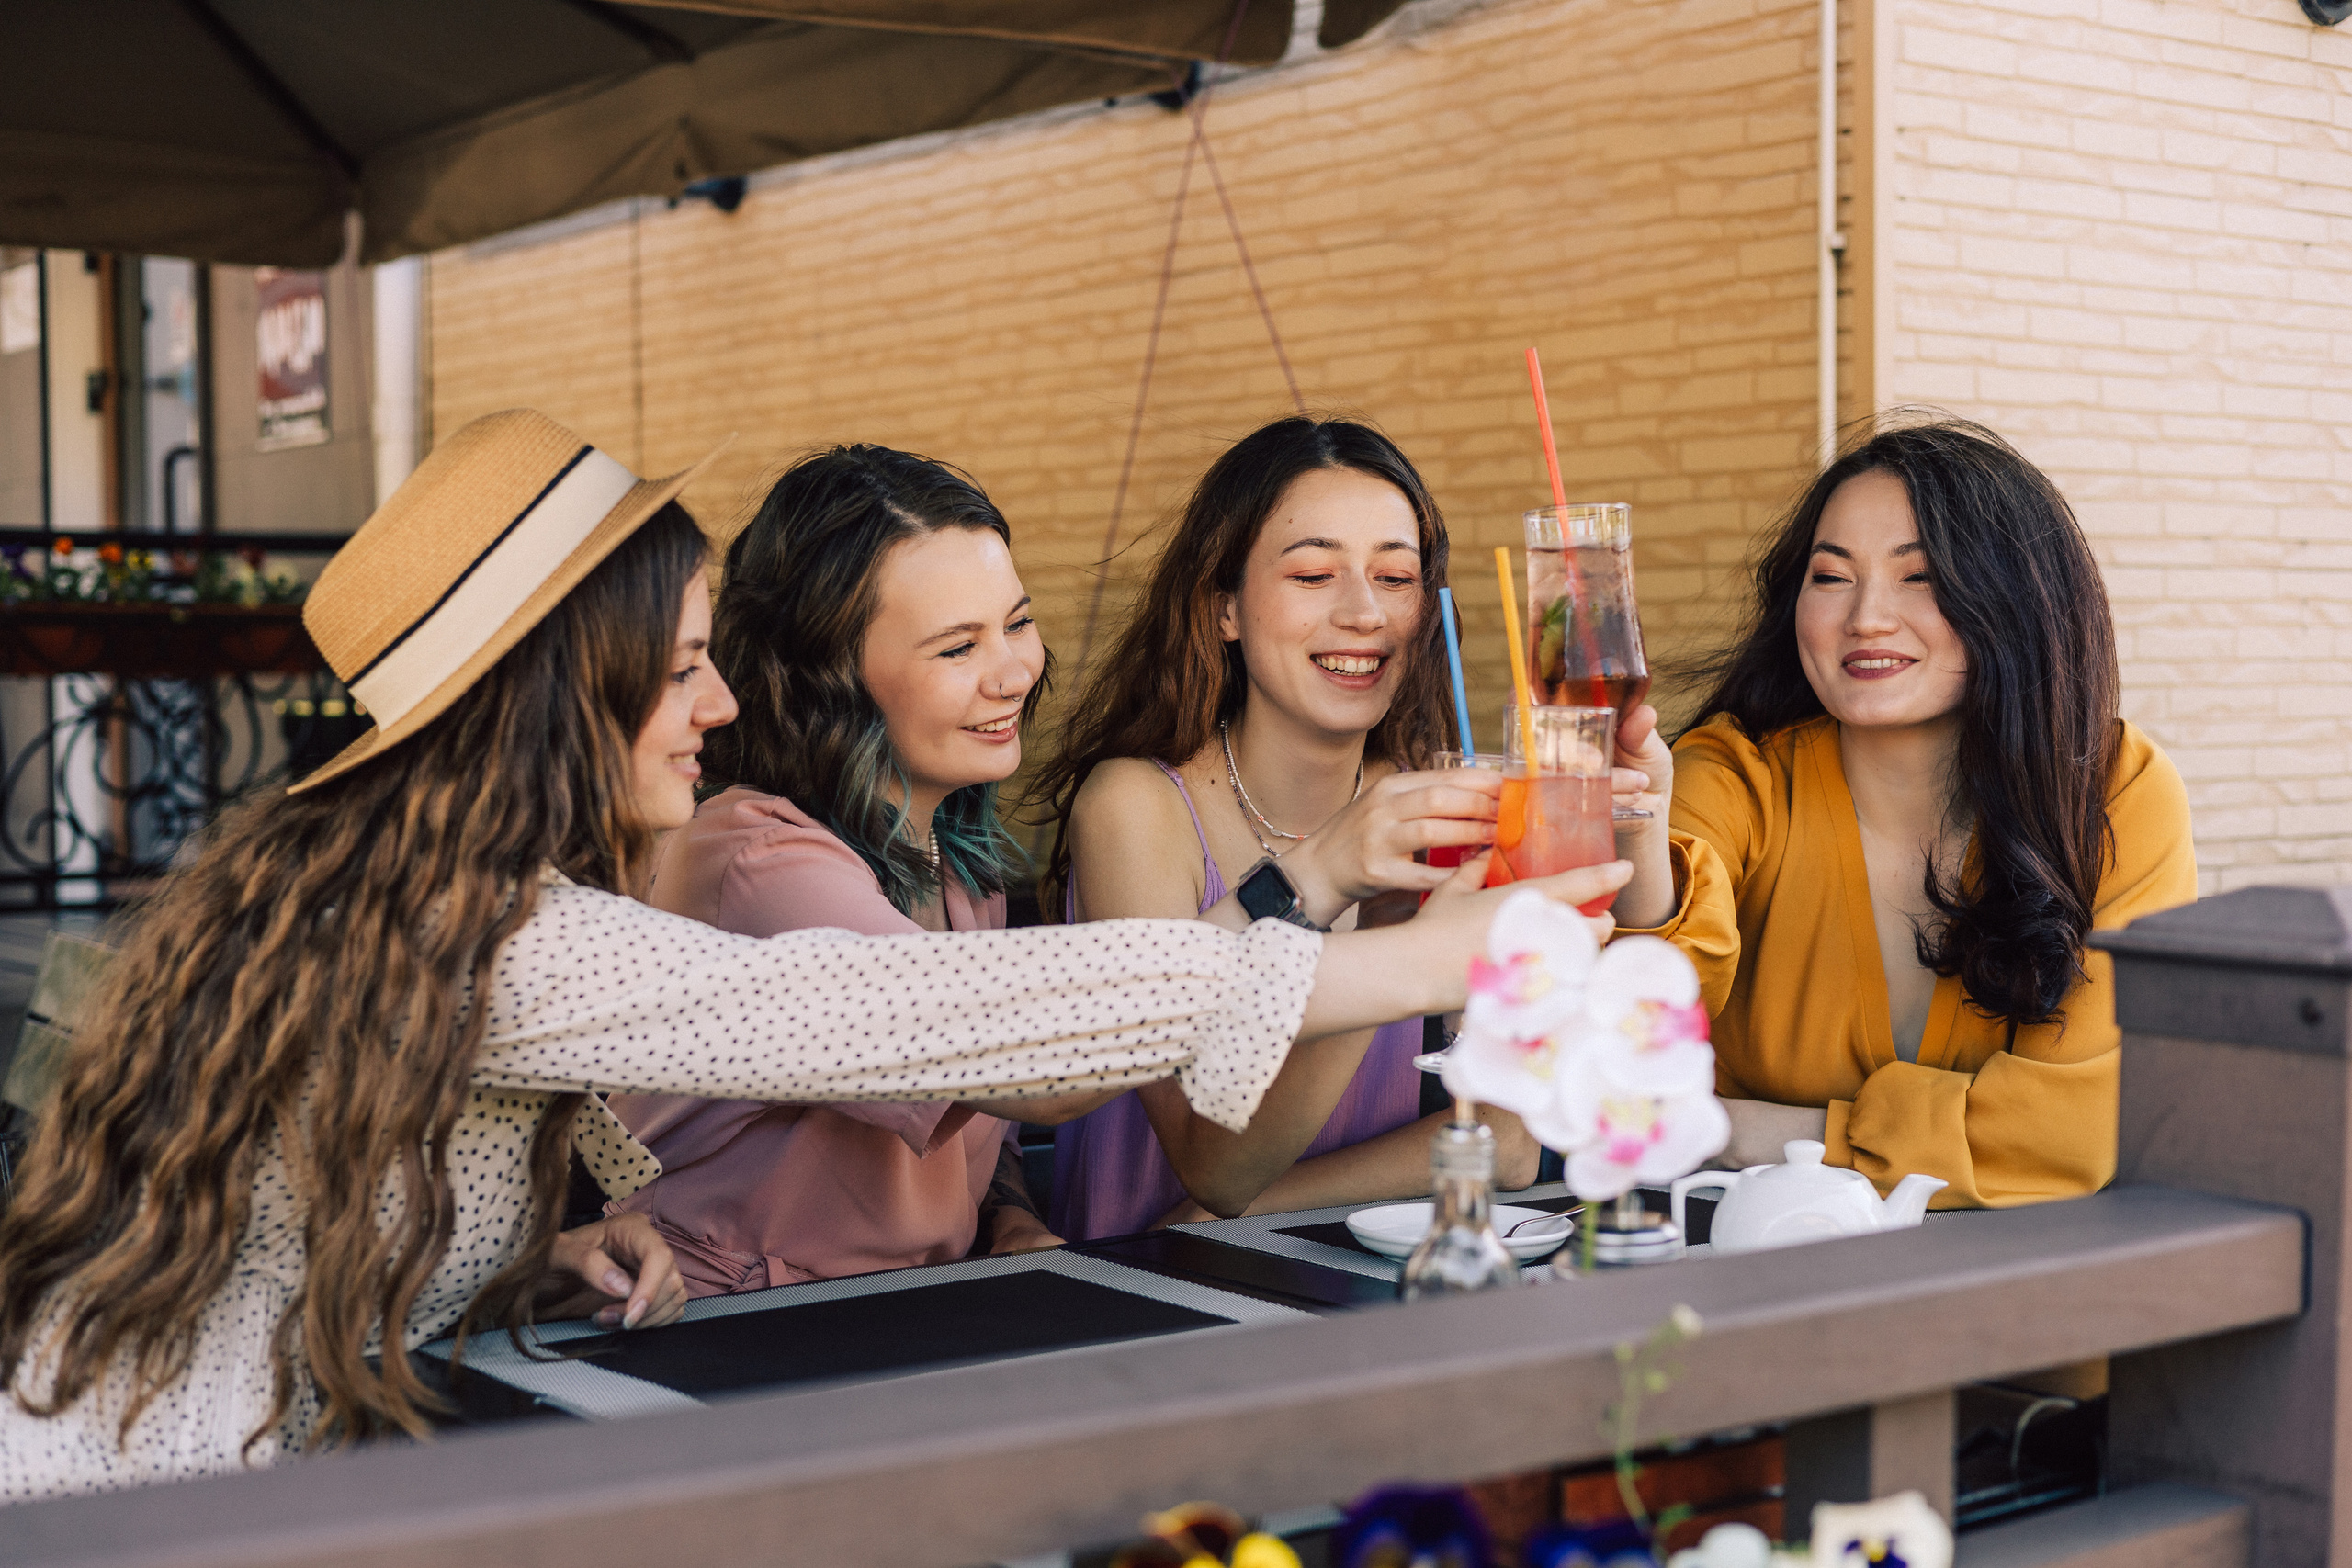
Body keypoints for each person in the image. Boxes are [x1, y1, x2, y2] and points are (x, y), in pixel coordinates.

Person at [0, 411, 1628, 1500]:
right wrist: (1430, 952)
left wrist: (513, 1256)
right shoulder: (502, 932)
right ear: (567, 694)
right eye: (682, 668)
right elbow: (922, 1020)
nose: (714, 707)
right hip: (162, 1502)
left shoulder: (415, 894)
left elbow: (332, 1205)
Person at [1035, 416, 1714, 1238]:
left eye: (1395, 577)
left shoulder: (1440, 799)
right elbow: (1216, 1169)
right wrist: (1388, 935)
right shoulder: (1136, 808)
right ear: (1225, 609)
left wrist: (1637, 820)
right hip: (1147, 1307)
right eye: (1315, 573)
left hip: (1372, 1285)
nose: (1364, 613)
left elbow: (1509, 1138)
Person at [609, 446, 1105, 1291]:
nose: (1015, 673)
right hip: (724, 1336)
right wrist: (1301, 891)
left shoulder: (955, 854)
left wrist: (1006, 1211)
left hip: (893, 1316)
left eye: (1017, 623)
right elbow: (1032, 1067)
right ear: (830, 682)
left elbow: (992, 1119)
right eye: (957, 648)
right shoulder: (757, 861)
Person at [1670, 415, 2198, 1207]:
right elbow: (1640, 1000)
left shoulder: (2116, 791)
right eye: (1831, 575)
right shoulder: (1732, 773)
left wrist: (1749, 1131)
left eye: (1918, 576)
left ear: (2012, 601)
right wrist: (1637, 839)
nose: (1866, 617)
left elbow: (2079, 1132)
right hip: (1757, 1276)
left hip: (2026, 1292)